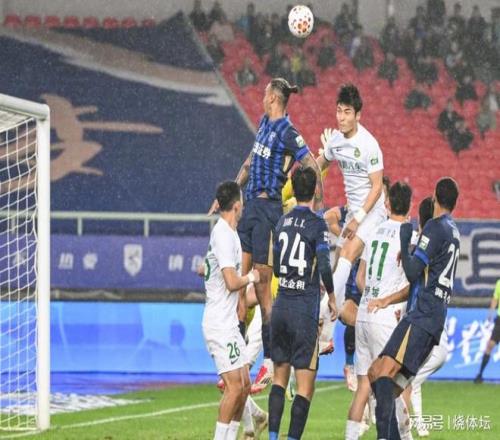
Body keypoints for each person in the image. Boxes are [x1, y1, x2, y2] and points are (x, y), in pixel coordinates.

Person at [208, 78, 324, 390]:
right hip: (248, 210)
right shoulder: (263, 123)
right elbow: (249, 163)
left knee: (261, 288)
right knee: (238, 289)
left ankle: (271, 360)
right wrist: (229, 195)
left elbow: (311, 164)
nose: (261, 97)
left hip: (268, 211)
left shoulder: (288, 131)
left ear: (273, 97)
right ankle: (234, 363)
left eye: (264, 94)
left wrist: (318, 208)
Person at [368, 177, 460, 440]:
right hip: (433, 321)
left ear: (435, 197)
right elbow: (427, 267)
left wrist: (405, 238)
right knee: (383, 382)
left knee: (380, 374)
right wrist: (412, 250)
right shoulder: (453, 231)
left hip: (421, 316)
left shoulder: (434, 226)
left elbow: (411, 272)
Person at [268, 167, 336, 440]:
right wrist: (332, 296)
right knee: (305, 387)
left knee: (279, 379)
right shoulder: (317, 224)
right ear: (315, 190)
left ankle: (273, 437)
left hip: (281, 306)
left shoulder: (282, 222)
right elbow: (325, 265)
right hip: (303, 310)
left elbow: (276, 268)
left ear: (294, 190)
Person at [345, 181, 412, 440]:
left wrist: (372, 298)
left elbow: (360, 278)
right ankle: (398, 435)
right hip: (386, 318)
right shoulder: (409, 235)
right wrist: (387, 301)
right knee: (390, 385)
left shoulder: (373, 231)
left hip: (364, 315)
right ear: (410, 206)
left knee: (364, 386)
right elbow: (413, 281)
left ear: (388, 203)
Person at [317, 83, 385, 331]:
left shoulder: (369, 144)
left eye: (347, 112)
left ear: (358, 115)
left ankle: (320, 317)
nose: (341, 117)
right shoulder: (336, 140)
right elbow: (320, 163)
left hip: (372, 212)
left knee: (346, 257)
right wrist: (303, 170)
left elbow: (377, 187)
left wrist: (358, 218)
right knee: (339, 269)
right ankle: (328, 336)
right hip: (353, 213)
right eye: (339, 111)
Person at [202, 181, 261, 440]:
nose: (243, 206)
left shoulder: (230, 233)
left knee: (244, 386)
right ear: (236, 206)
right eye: (242, 202)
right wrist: (252, 277)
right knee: (234, 387)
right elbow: (231, 281)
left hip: (229, 323)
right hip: (219, 323)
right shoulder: (224, 235)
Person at [474, 278, 500, 383]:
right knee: (490, 345)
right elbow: (495, 299)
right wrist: (491, 313)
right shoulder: (499, 283)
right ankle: (480, 374)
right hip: (499, 320)